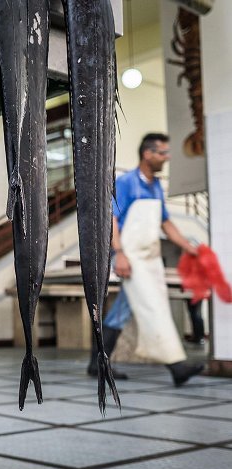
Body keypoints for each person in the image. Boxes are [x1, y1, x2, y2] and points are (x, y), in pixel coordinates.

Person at [87, 133, 204, 386]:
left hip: (150, 258)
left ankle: (97, 364)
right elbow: (112, 220)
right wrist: (119, 254)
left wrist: (188, 246)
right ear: (147, 154)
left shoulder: (155, 186)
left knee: (124, 311)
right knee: (153, 306)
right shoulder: (127, 182)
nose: (166, 158)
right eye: (162, 153)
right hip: (129, 256)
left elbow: (165, 221)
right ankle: (176, 366)